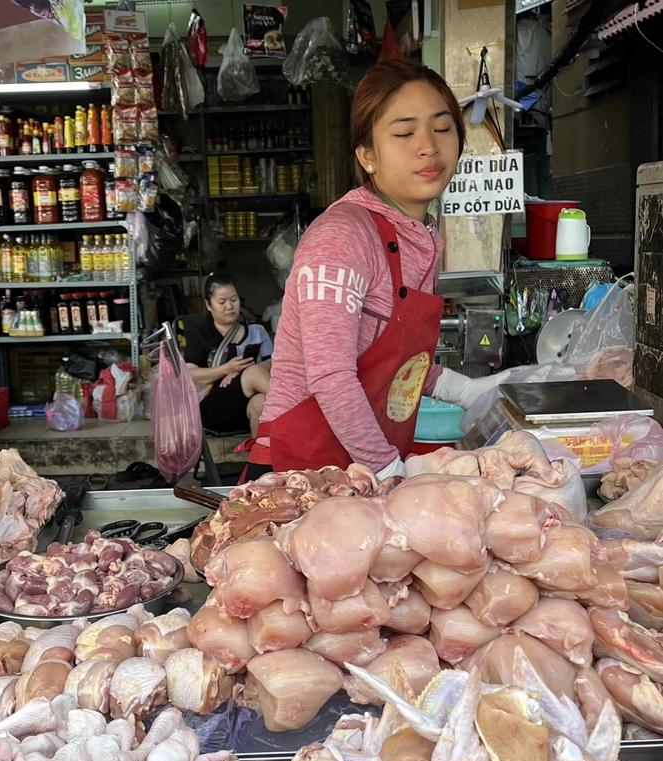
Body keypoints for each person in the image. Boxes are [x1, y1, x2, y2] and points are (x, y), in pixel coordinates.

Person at [247, 60, 506, 480]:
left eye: (442, 128)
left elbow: (394, 362)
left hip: (361, 472)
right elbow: (331, 376)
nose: (428, 147)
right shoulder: (342, 237)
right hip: (305, 476)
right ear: (367, 155)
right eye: (404, 133)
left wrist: (465, 391)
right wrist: (388, 471)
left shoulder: (418, 235)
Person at [182, 272, 273, 437]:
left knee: (261, 403)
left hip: (245, 406)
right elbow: (190, 375)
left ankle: (260, 460)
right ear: (209, 305)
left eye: (234, 300)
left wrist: (241, 372)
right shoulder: (200, 333)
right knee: (252, 374)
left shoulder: (255, 330)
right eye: (222, 302)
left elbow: (273, 363)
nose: (230, 306)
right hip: (213, 409)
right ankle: (302, 409)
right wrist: (226, 369)